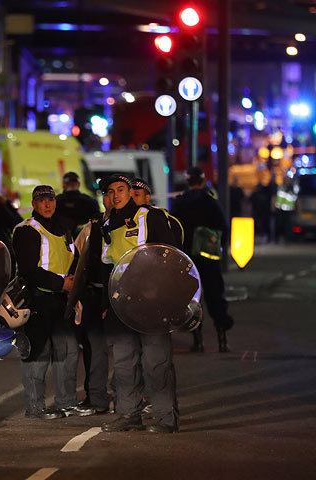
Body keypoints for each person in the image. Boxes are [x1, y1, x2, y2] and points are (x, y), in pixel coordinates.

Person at [94, 174, 180, 433]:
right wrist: (105, 304)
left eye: (121, 189)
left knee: (157, 363)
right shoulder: (108, 224)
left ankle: (166, 419)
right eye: (112, 191)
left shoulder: (149, 217)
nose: (116, 195)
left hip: (152, 304)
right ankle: (128, 415)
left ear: (131, 193)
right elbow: (107, 270)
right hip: (122, 305)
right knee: (124, 364)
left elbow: (172, 255)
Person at [12, 185, 95, 420]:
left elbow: (74, 260)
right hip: (37, 299)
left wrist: (74, 286)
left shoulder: (64, 228)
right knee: (38, 354)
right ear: (34, 203)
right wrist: (62, 283)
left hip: (61, 301)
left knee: (67, 352)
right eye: (42, 200)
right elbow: (28, 270)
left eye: (50, 199)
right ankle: (35, 407)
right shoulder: (27, 230)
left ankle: (67, 402)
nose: (47, 204)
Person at [171, 166, 235, 353]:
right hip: (208, 257)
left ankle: (197, 340)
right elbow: (223, 228)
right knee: (216, 297)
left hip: (187, 259)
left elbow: (173, 228)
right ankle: (222, 340)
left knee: (192, 299)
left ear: (187, 181)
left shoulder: (180, 203)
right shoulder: (210, 201)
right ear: (203, 179)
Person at [73, 177, 115, 415]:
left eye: (116, 193)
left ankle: (126, 395)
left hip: (124, 296)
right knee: (95, 348)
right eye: (107, 194)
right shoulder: (92, 226)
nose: (111, 199)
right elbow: (77, 260)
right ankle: (97, 396)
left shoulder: (135, 224)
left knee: (126, 348)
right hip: (95, 293)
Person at [130, 177, 183, 248]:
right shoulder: (125, 218)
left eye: (136, 195)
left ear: (147, 198)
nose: (132, 198)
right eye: (129, 196)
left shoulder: (158, 217)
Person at [56, 171, 100, 237]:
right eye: (70, 184)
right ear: (79, 184)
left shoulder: (56, 201)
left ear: (63, 185)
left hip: (60, 237)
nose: (72, 186)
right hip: (83, 238)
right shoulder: (90, 201)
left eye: (72, 184)